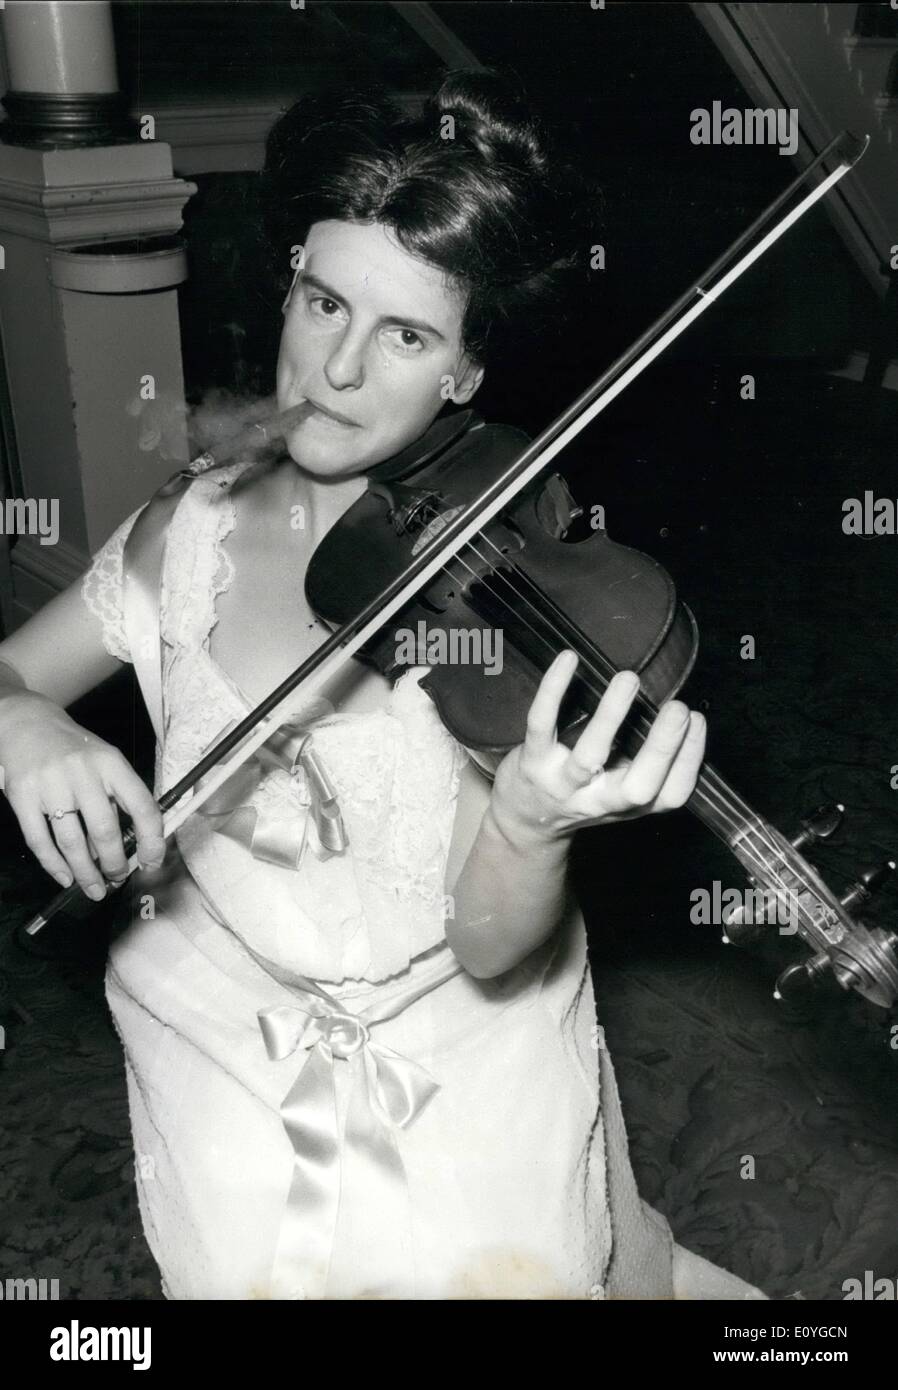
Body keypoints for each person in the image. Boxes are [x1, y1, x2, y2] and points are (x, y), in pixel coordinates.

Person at [0, 70, 765, 1301]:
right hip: (222, 1007)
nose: (337, 371)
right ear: (291, 282)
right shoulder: (182, 529)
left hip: (458, 1021)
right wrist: (21, 723)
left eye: (406, 336)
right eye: (323, 303)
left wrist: (529, 818)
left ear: (465, 376)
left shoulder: (498, 594)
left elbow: (486, 941)